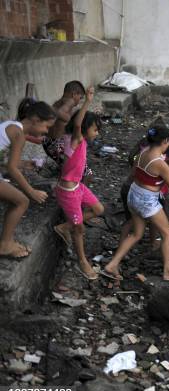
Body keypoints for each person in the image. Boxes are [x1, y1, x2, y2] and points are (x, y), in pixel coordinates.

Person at [103, 125, 169, 281]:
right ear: (165, 141)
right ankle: (167, 272)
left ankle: (112, 265)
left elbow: (133, 173)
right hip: (147, 200)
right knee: (167, 232)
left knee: (136, 234)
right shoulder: (159, 163)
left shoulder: (142, 152)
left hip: (133, 193)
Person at [53, 87, 105, 280]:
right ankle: (83, 262)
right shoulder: (75, 138)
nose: (97, 133)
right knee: (79, 229)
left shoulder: (78, 140)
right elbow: (77, 124)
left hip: (78, 187)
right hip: (68, 192)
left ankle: (64, 227)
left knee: (99, 209)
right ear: (84, 129)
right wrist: (87, 102)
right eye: (95, 129)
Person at [0, 99, 54, 258]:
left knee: (14, 199)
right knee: (22, 201)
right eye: (46, 127)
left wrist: (22, 164)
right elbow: (11, 169)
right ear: (36, 119)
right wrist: (32, 192)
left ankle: (6, 240)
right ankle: (5, 245)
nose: (46, 132)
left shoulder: (11, 125)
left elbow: (6, 162)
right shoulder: (20, 134)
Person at [41, 81, 86, 164]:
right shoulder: (70, 101)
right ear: (74, 94)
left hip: (47, 142)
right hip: (57, 145)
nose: (79, 101)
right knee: (79, 166)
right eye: (80, 98)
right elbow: (59, 112)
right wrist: (69, 120)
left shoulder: (58, 102)